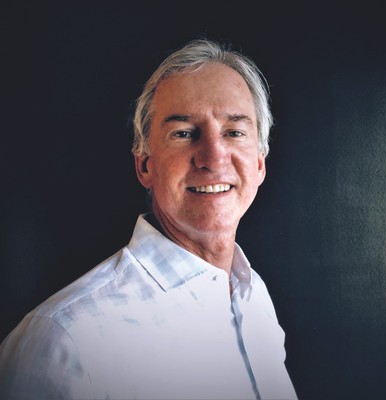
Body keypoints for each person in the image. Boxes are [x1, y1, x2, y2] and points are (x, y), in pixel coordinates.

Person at [0, 38, 298, 400]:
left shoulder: (255, 299)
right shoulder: (63, 341)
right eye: (184, 133)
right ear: (145, 164)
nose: (214, 157)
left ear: (259, 163)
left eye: (234, 132)